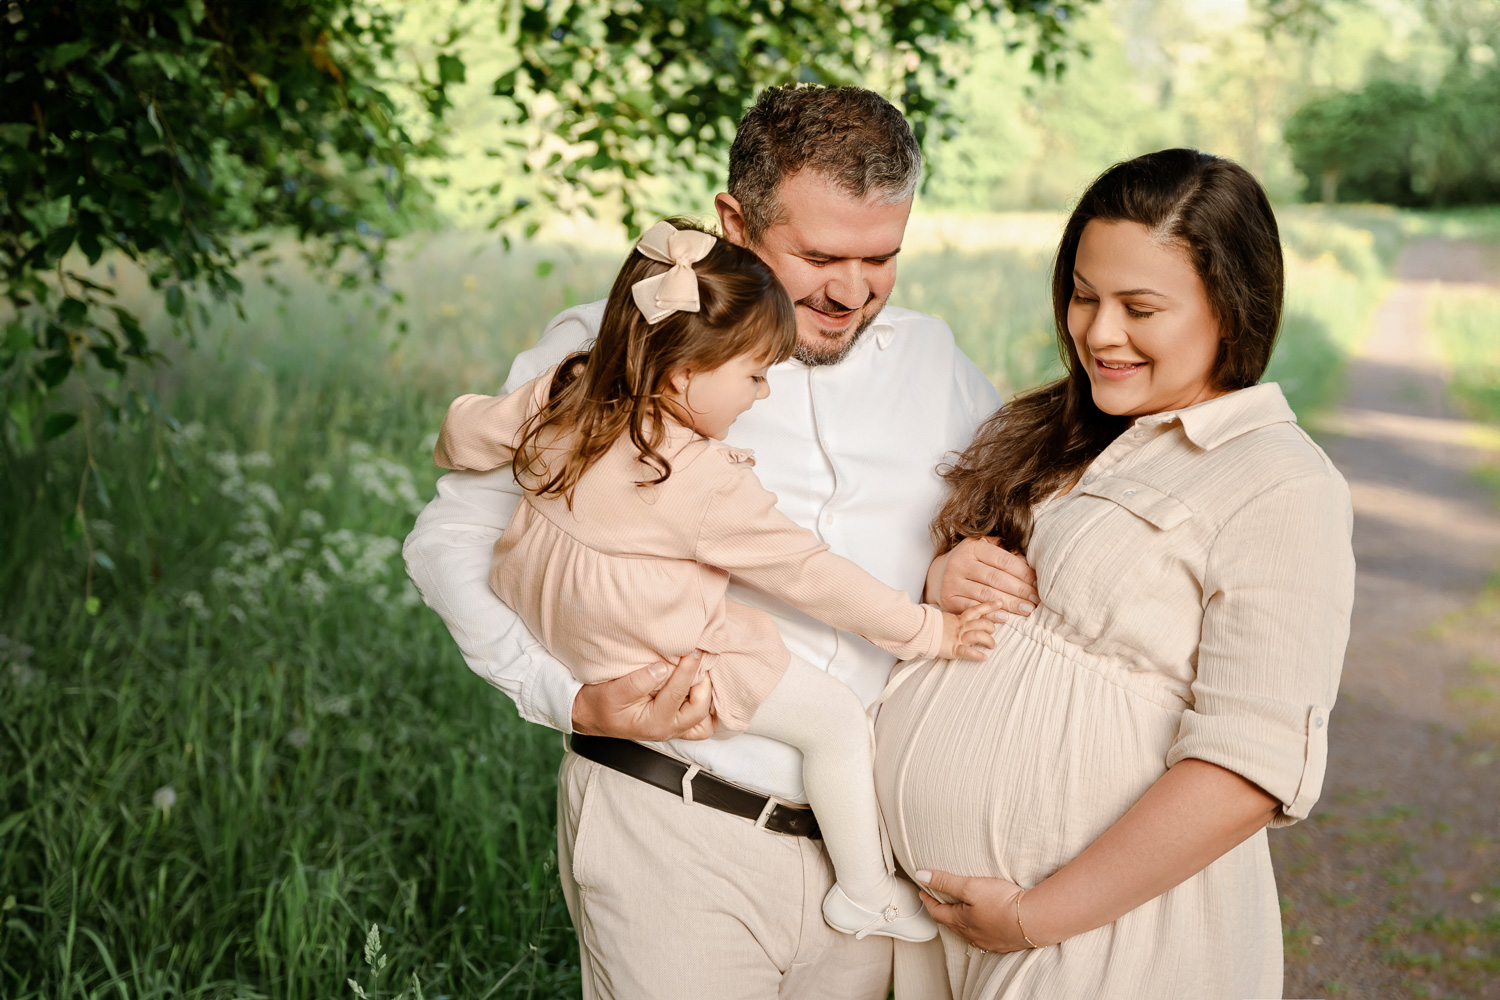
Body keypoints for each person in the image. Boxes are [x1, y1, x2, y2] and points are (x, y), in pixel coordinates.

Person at [402, 84, 1038, 999]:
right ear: (735, 222)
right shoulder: (618, 347)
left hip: (876, 859)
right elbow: (449, 541)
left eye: (882, 258)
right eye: (819, 255)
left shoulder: (937, 363)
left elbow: (1002, 521)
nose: (850, 291)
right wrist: (569, 698)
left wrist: (960, 559)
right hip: (675, 825)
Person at [873, 148, 1357, 999]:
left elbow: (1248, 768)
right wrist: (944, 578)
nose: (1097, 332)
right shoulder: (1062, 431)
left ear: (1231, 311)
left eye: (1141, 307)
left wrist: (1036, 915)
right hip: (944, 934)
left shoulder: (1280, 483)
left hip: (1101, 942)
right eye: (1085, 295)